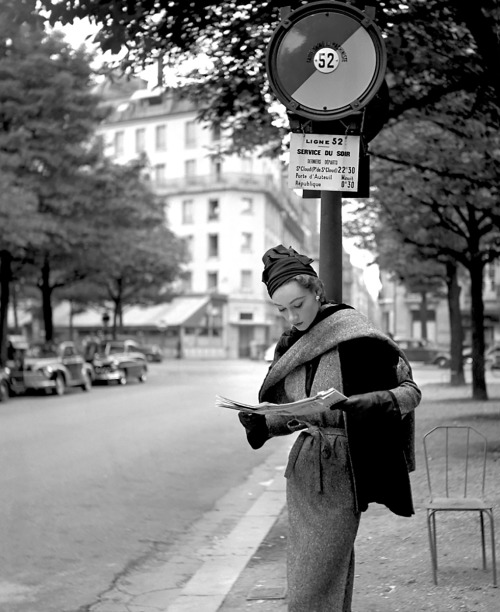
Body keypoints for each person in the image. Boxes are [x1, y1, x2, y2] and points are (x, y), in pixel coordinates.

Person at [238, 245, 421, 612]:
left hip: (344, 471)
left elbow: (410, 392)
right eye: (282, 309)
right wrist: (262, 419)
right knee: (319, 577)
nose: (292, 316)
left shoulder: (356, 335)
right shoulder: (290, 344)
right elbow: (293, 410)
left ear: (317, 291)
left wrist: (365, 405)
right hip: (304, 472)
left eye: (298, 304)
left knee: (314, 584)